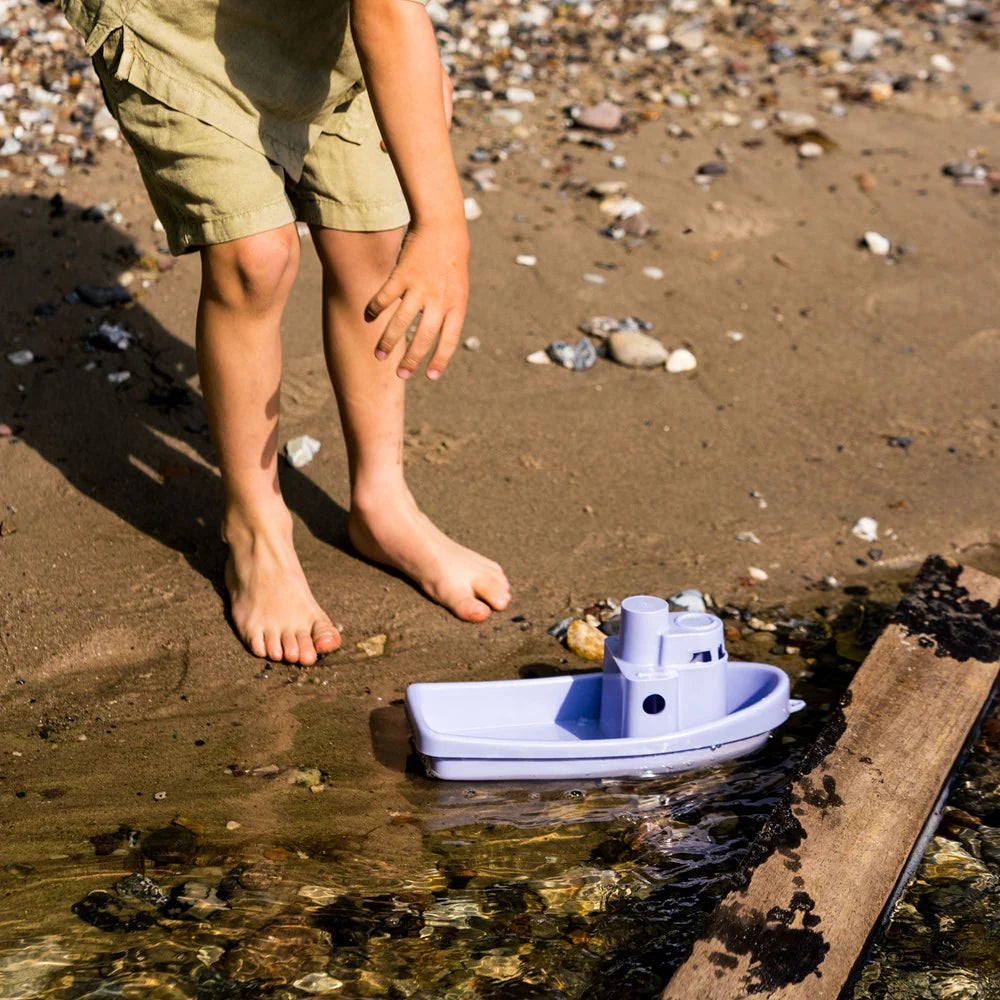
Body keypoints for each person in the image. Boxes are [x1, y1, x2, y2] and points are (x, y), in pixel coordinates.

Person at [61, 0, 511, 665]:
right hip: (173, 25)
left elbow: (390, 10)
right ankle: (254, 524)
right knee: (256, 257)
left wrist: (418, 62)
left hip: (324, 28)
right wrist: (446, 226)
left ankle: (383, 503)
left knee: (375, 235)